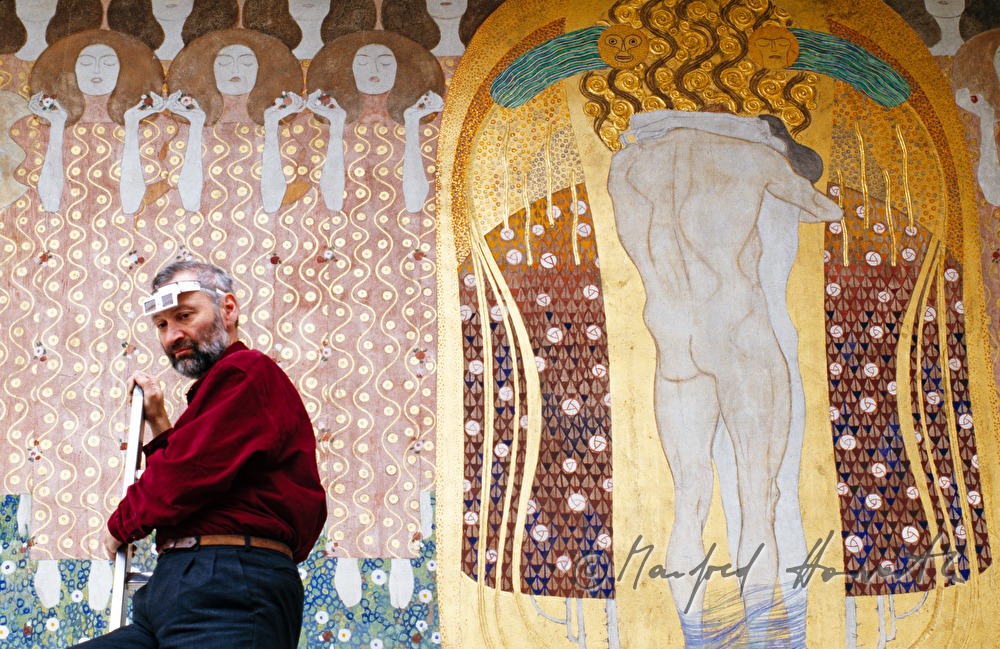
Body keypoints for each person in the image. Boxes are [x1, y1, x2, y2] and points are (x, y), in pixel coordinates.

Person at [80, 260, 327, 649]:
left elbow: (184, 476)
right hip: (176, 588)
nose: (172, 335)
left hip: (229, 586)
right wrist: (161, 423)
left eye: (184, 315)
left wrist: (120, 526)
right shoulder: (219, 393)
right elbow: (192, 470)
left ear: (228, 309)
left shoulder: (247, 372)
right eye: (161, 325)